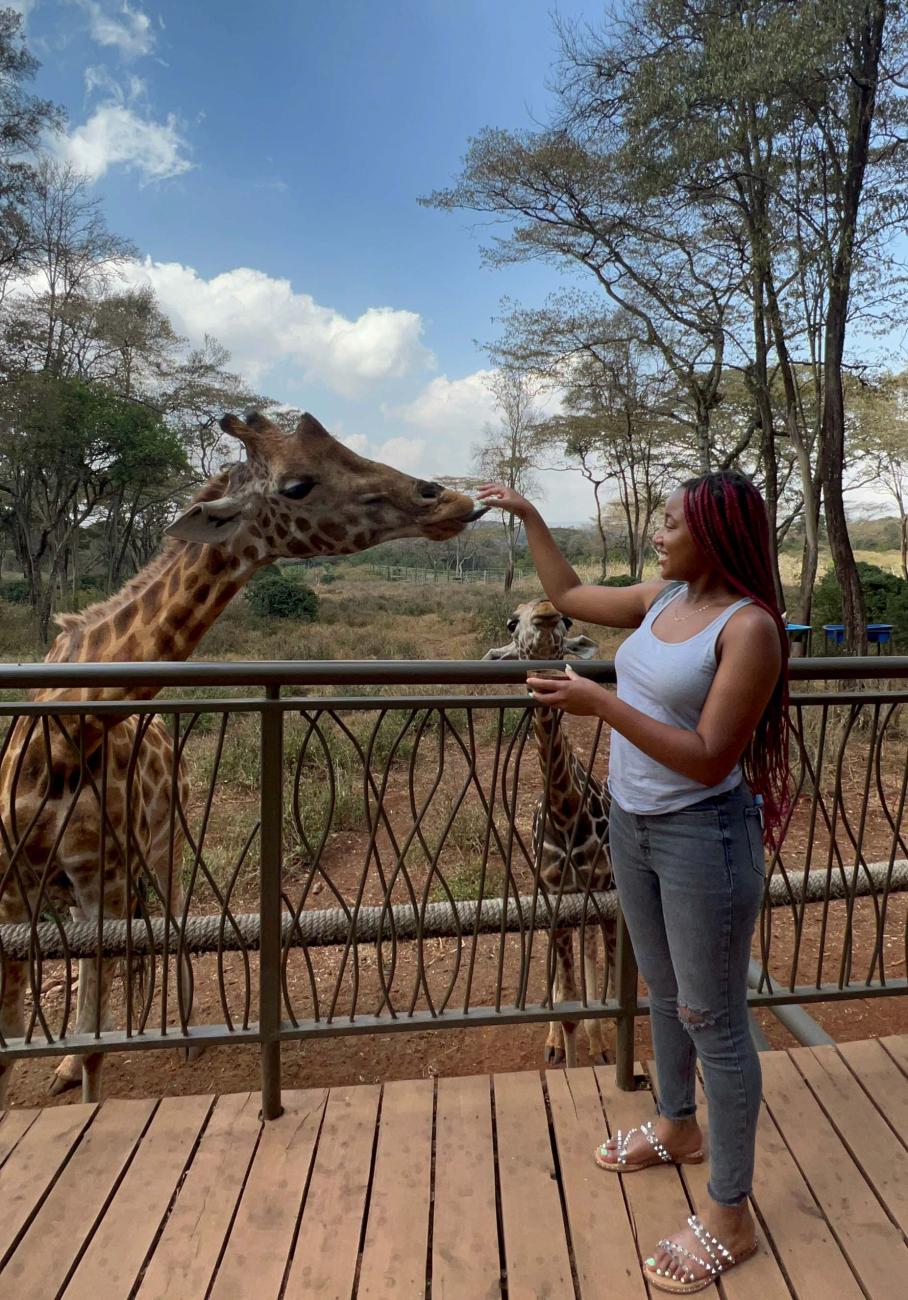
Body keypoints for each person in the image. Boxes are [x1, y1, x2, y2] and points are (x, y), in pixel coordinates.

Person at [476, 470, 789, 1295]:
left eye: (670, 522)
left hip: (701, 835)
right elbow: (571, 592)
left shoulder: (746, 628)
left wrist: (597, 704)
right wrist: (533, 515)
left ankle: (730, 1209)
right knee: (659, 987)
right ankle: (678, 1127)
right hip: (633, 824)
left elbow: (712, 756)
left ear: (714, 535)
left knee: (711, 1014)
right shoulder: (661, 599)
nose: (657, 531)